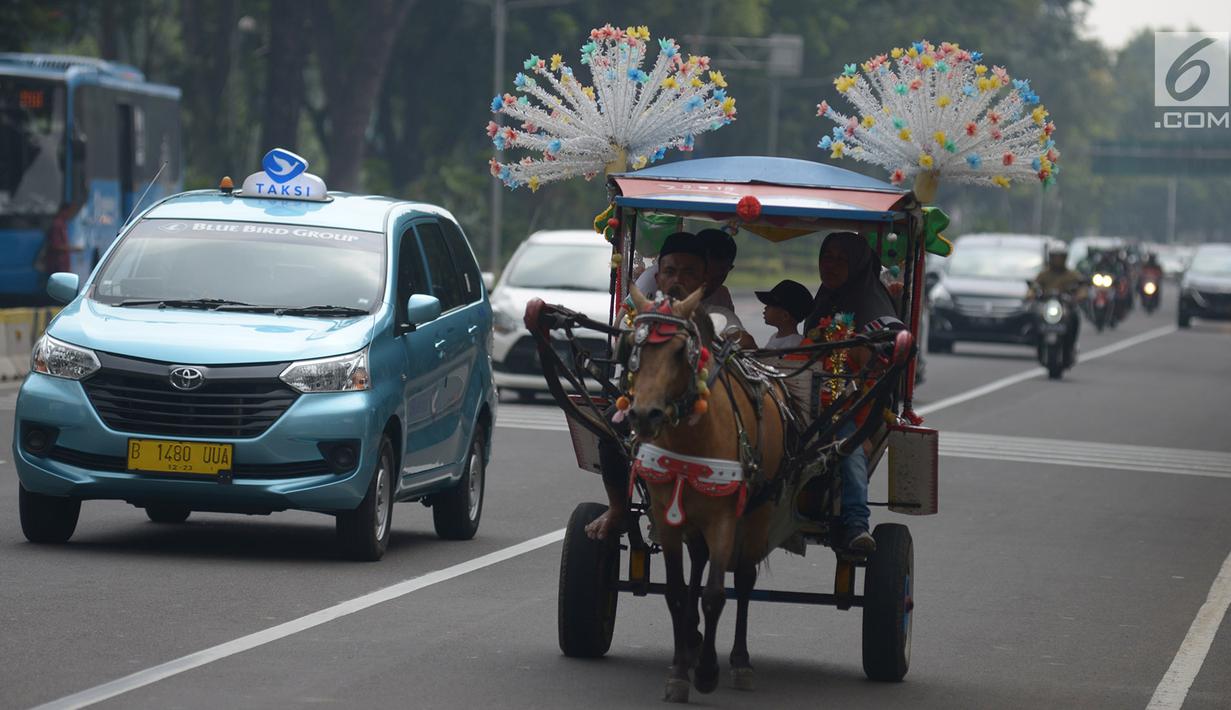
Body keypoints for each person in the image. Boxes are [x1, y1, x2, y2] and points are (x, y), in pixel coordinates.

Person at [585, 231, 750, 540]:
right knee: (609, 430)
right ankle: (619, 508)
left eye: (689, 272)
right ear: (658, 275)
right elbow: (619, 338)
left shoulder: (719, 309)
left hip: (700, 403)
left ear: (705, 278)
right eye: (671, 271)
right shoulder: (642, 305)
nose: (679, 279)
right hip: (647, 398)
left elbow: (738, 342)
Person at [803, 232, 902, 554]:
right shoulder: (825, 299)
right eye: (825, 257)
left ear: (857, 265)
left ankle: (857, 523)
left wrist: (864, 427)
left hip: (852, 408)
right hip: (806, 398)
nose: (829, 265)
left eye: (840, 259)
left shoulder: (873, 307)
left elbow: (883, 365)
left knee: (848, 447)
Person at [635, 227, 737, 312]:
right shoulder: (649, 281)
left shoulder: (722, 300)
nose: (677, 280)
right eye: (670, 272)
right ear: (658, 279)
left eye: (717, 278)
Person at [1029, 242, 1086, 367]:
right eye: (1055, 257)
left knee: (1075, 317)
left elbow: (1082, 288)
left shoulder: (1072, 275)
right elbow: (1034, 287)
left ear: (1065, 258)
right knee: (1033, 316)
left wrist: (1078, 297)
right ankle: (1037, 343)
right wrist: (1031, 294)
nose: (1057, 260)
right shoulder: (1043, 274)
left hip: (1065, 307)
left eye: (1060, 257)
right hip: (1047, 307)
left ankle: (1071, 345)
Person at [756, 279, 812, 349]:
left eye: (770, 305)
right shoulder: (774, 337)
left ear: (785, 316)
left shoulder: (793, 342)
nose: (765, 308)